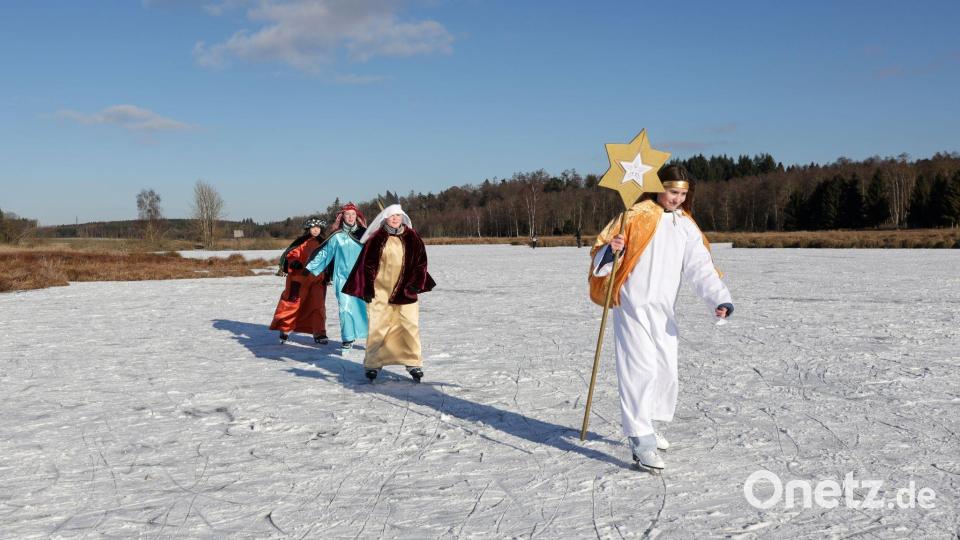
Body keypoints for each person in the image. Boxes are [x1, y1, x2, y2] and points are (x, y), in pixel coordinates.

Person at [589, 165, 734, 471]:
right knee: (639, 369)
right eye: (672, 192)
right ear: (657, 188)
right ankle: (640, 439)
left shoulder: (685, 224)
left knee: (663, 369)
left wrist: (719, 298)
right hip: (632, 305)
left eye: (682, 194)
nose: (677, 199)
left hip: (663, 310)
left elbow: (700, 267)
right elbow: (601, 258)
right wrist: (612, 250)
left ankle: (649, 425)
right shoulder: (634, 215)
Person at [343, 204, 435, 382]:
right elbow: (368, 265)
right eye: (392, 216)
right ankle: (373, 364)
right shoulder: (377, 237)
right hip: (380, 290)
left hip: (406, 290)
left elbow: (421, 262)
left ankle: (413, 362)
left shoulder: (412, 236)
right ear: (385, 218)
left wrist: (416, 284)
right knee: (378, 325)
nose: (395, 219)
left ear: (403, 218)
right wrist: (368, 288)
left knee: (409, 325)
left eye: (398, 216)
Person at [305, 203, 369, 352]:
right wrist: (310, 267)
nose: (350, 217)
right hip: (342, 278)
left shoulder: (366, 235)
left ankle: (369, 337)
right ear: (342, 217)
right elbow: (325, 253)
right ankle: (347, 338)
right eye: (347, 214)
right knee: (344, 308)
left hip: (361, 278)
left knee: (363, 308)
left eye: (353, 214)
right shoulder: (336, 236)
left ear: (357, 217)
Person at [269, 217, 330, 344]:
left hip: (318, 280)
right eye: (313, 228)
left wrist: (329, 273)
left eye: (318, 228)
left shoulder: (325, 243)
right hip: (300, 278)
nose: (315, 230)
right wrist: (294, 262)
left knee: (318, 305)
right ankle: (285, 329)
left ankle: (319, 333)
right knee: (293, 303)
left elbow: (331, 259)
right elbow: (292, 254)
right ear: (308, 229)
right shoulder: (301, 242)